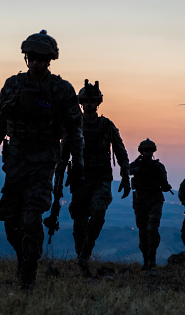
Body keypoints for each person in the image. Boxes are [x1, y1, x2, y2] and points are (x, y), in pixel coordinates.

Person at [0, 30, 84, 289]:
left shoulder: (61, 90)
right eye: (32, 57)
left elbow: (75, 130)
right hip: (15, 159)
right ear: (27, 58)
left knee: (31, 216)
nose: (36, 62)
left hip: (45, 159)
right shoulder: (12, 85)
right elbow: (1, 123)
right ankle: (23, 258)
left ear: (50, 60)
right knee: (10, 218)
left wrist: (78, 164)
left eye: (42, 58)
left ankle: (29, 273)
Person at [57, 79, 130, 276]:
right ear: (81, 103)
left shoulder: (106, 125)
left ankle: (85, 253)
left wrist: (125, 175)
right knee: (79, 221)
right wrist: (57, 180)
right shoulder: (74, 126)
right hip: (80, 179)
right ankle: (82, 258)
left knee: (98, 210)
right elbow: (63, 155)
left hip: (102, 178)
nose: (89, 104)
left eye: (93, 101)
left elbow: (121, 151)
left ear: (98, 103)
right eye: (86, 101)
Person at [130, 138, 172, 270]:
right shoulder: (135, 166)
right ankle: (146, 261)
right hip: (140, 201)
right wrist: (139, 164)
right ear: (141, 152)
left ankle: (152, 258)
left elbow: (164, 184)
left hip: (154, 200)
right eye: (145, 151)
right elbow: (127, 171)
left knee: (152, 229)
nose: (148, 153)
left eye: (150, 150)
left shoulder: (158, 166)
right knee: (142, 232)